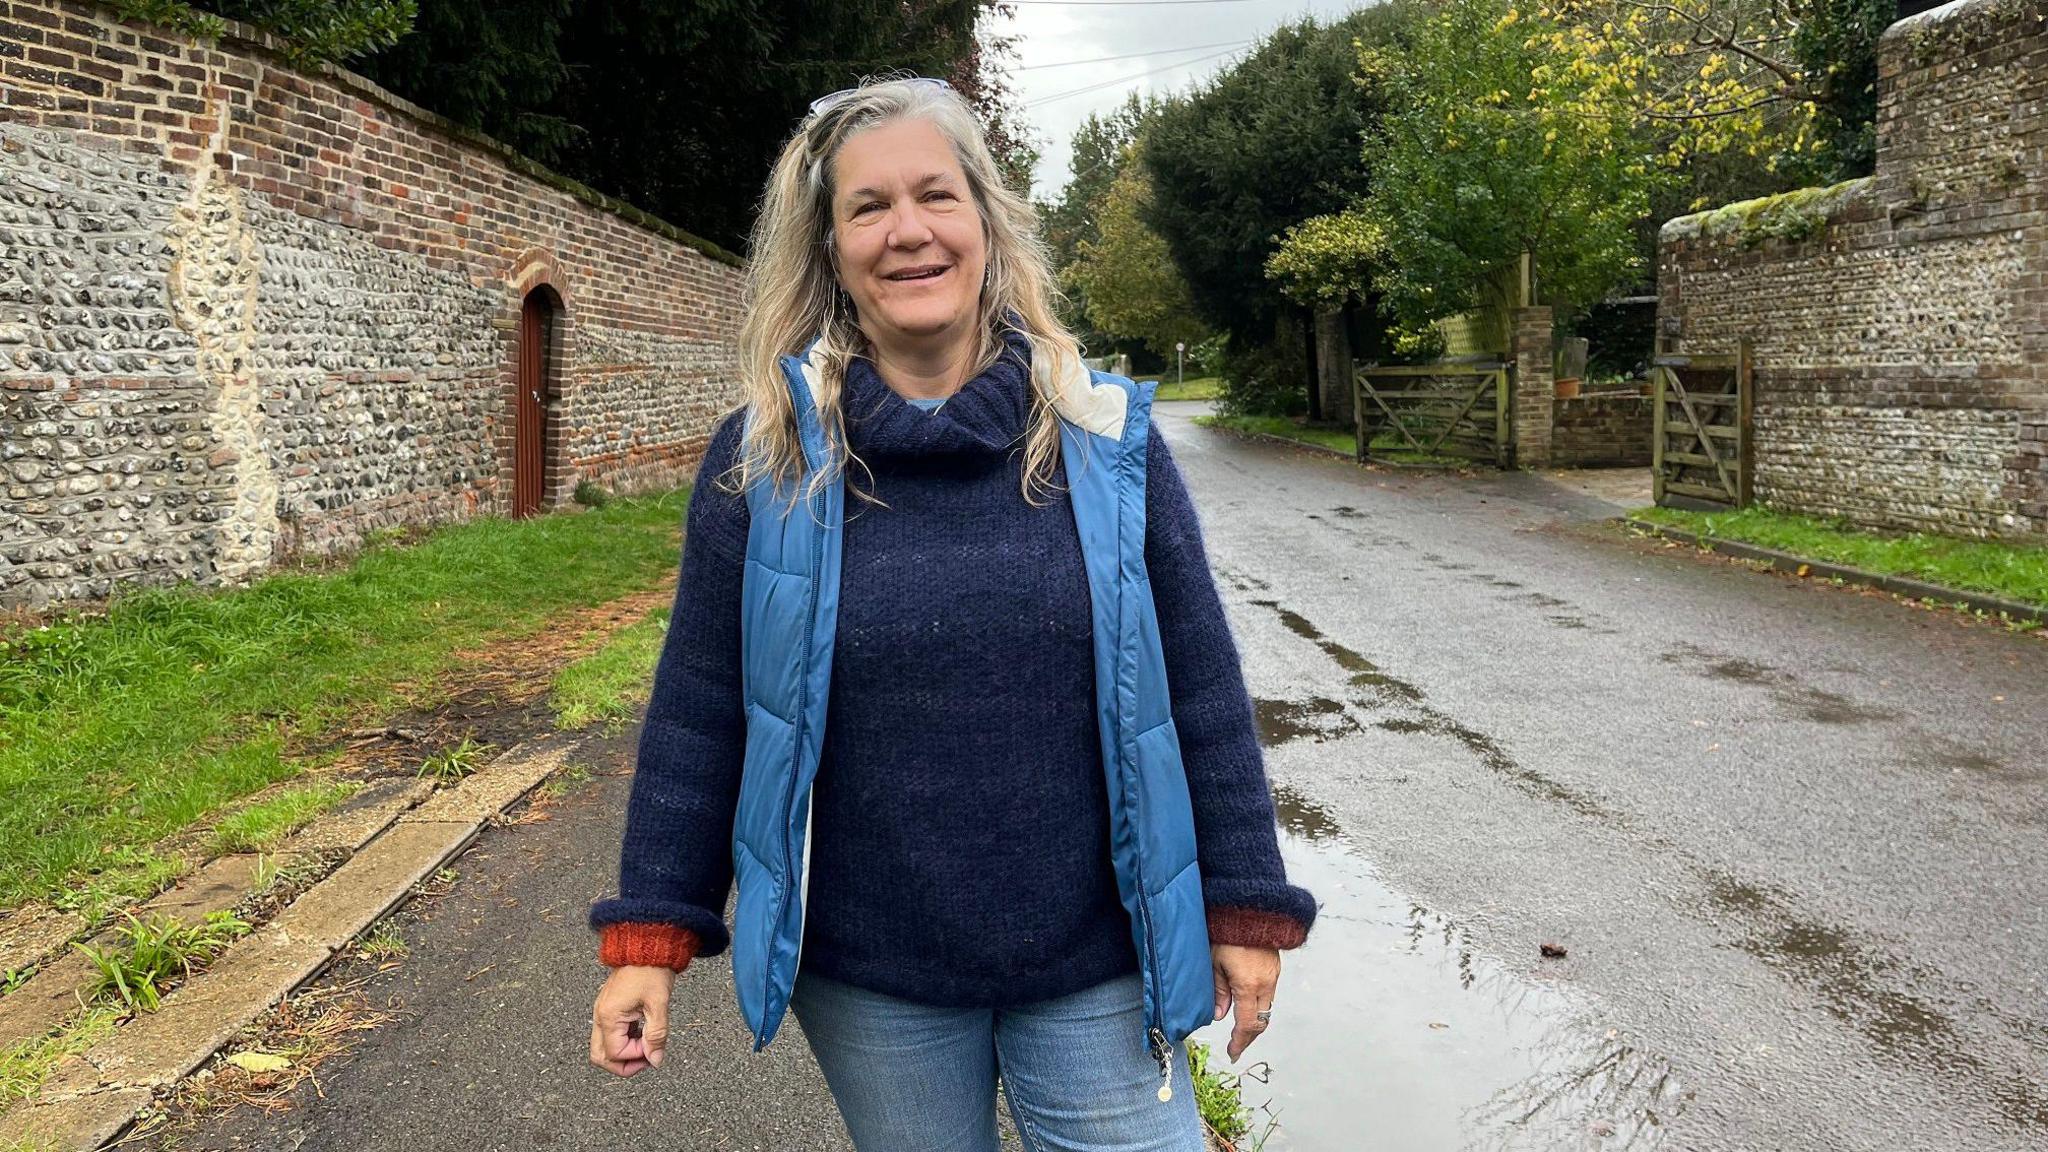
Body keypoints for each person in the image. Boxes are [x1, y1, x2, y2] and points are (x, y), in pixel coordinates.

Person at [586, 75, 1315, 1152]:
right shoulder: (765, 461)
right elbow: (701, 710)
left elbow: (1198, 682)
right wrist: (648, 935)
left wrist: (1244, 902)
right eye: (867, 207)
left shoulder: (1102, 441)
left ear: (985, 222)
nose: (907, 232)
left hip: (1098, 961)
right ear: (829, 249)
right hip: (874, 979)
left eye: (934, 195)